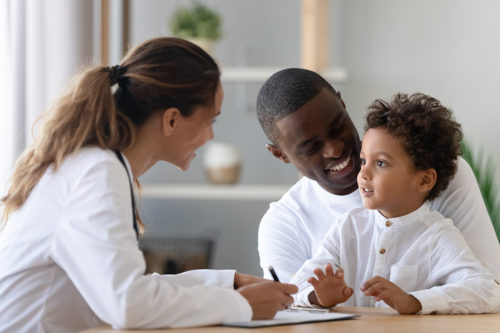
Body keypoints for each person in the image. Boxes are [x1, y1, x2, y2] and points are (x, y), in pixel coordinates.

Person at [0, 37, 297, 332]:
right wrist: (242, 306)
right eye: (211, 121)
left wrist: (227, 284)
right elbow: (128, 305)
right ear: (171, 120)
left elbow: (127, 286)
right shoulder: (96, 173)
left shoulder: (94, 165)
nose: (210, 137)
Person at [256, 68, 500, 283]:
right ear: (281, 155)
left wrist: (412, 303)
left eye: (337, 127)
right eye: (311, 148)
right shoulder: (284, 224)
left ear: (343, 105)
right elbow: (291, 311)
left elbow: (490, 287)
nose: (335, 149)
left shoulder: (437, 170)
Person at [290, 93, 500, 314]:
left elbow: (488, 291)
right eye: (363, 161)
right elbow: (296, 286)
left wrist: (414, 301)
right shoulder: (348, 227)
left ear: (424, 180)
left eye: (380, 163)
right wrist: (319, 296)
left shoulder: (437, 235)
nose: (364, 174)